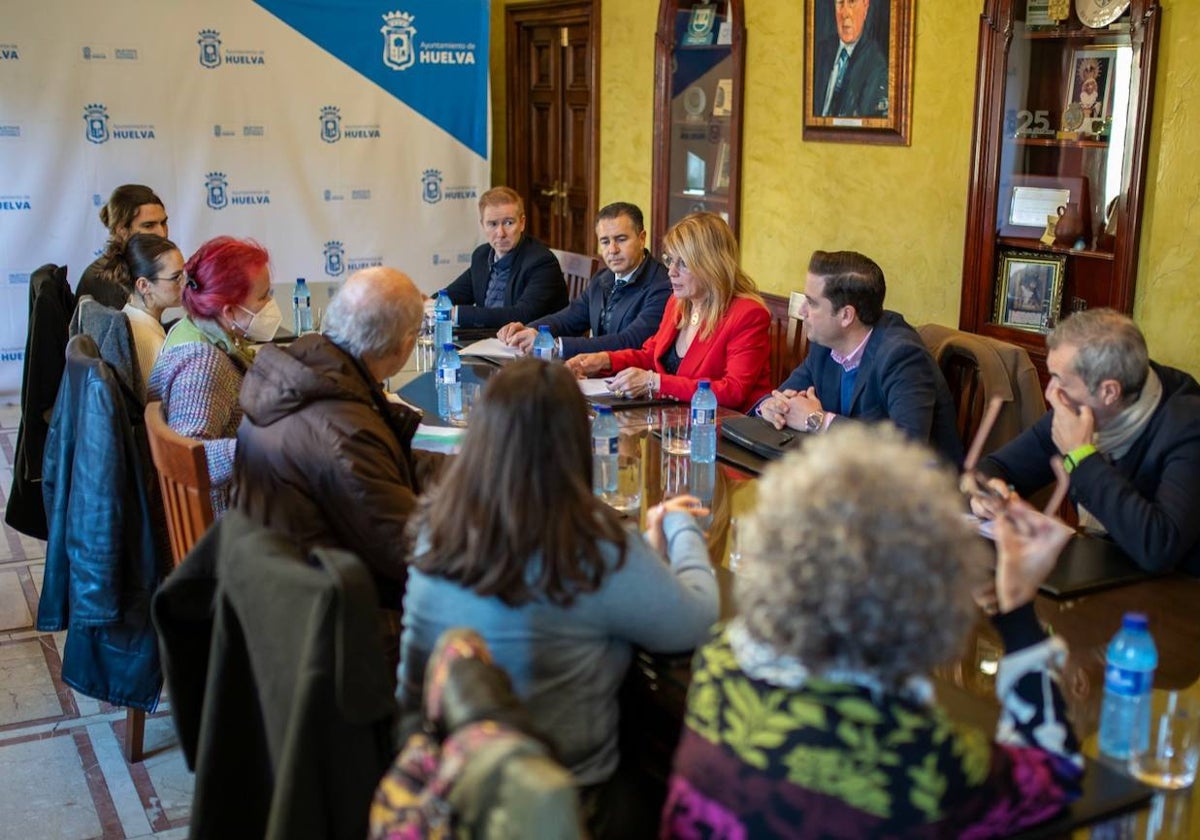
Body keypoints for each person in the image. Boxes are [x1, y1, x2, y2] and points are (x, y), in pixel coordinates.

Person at [661, 423, 1083, 838]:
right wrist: (1017, 608)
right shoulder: (916, 761)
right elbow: (1054, 774)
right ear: (929, 605)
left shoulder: (721, 660)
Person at [398, 358, 718, 839]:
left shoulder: (436, 527)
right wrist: (679, 525)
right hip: (569, 800)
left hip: (449, 782)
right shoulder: (592, 546)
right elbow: (697, 618)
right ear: (577, 443)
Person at [235, 267, 446, 612]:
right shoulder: (344, 430)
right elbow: (412, 555)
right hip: (336, 619)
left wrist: (476, 470)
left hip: (278, 592)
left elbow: (389, 461)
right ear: (406, 345)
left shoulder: (305, 370)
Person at [977, 308, 1200, 575]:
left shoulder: (1188, 427)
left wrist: (1080, 456)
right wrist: (988, 491)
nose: (1051, 393)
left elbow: (1159, 548)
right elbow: (996, 466)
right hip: (1102, 574)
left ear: (1108, 391)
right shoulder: (1079, 405)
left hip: (1178, 596)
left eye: (1060, 381)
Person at [758, 250, 963, 464]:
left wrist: (818, 421)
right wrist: (774, 407)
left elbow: (907, 449)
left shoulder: (903, 356)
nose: (802, 311)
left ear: (846, 315)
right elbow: (783, 395)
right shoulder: (825, 344)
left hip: (916, 490)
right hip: (850, 477)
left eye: (812, 303)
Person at [568, 212, 772, 412]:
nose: (671, 271)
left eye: (682, 264)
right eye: (669, 260)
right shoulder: (678, 302)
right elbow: (651, 355)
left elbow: (733, 391)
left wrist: (655, 383)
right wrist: (604, 360)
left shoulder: (748, 314)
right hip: (674, 421)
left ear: (712, 265)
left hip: (721, 428)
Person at [148, 236, 277, 515]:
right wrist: (268, 448)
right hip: (229, 526)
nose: (270, 303)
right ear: (230, 311)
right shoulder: (202, 363)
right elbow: (190, 458)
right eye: (263, 295)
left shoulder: (193, 329)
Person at [496, 202, 670, 359]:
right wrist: (531, 329)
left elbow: (630, 341)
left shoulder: (662, 286)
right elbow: (570, 317)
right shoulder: (602, 278)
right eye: (605, 241)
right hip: (598, 375)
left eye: (621, 239)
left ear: (641, 239)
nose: (612, 249)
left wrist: (557, 346)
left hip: (632, 382)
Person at [441, 186, 568, 329]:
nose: (500, 233)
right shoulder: (482, 255)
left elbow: (522, 315)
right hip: (488, 340)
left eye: (508, 223)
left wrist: (457, 314)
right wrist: (430, 305)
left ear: (522, 223)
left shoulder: (542, 262)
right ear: (483, 225)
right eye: (492, 224)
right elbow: (454, 294)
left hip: (531, 345)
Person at [95, 233, 184, 386]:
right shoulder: (150, 342)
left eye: (184, 273)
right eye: (176, 277)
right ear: (144, 286)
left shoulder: (129, 317)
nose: (185, 283)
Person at [77, 184, 170, 309]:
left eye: (163, 223)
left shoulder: (135, 266)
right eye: (149, 226)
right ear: (122, 230)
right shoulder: (105, 279)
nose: (162, 233)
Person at [813, 0, 888, 118]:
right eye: (840, 3)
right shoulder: (820, 52)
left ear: (865, 7)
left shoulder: (876, 66)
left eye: (852, 2)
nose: (845, 13)